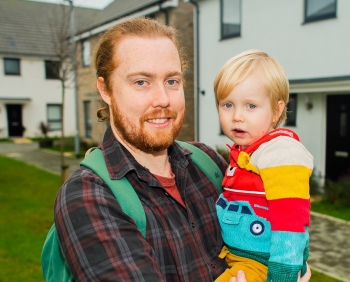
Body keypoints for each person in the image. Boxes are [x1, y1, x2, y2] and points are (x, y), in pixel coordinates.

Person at [54, 18, 311, 282]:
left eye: (172, 81)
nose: (163, 99)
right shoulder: (88, 195)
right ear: (105, 89)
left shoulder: (207, 164)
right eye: (142, 82)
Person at [213, 50, 314, 282]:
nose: (237, 116)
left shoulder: (280, 153)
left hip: (263, 264)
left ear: (277, 110)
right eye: (227, 104)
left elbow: (291, 219)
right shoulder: (247, 151)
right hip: (241, 256)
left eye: (251, 106)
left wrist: (282, 275)